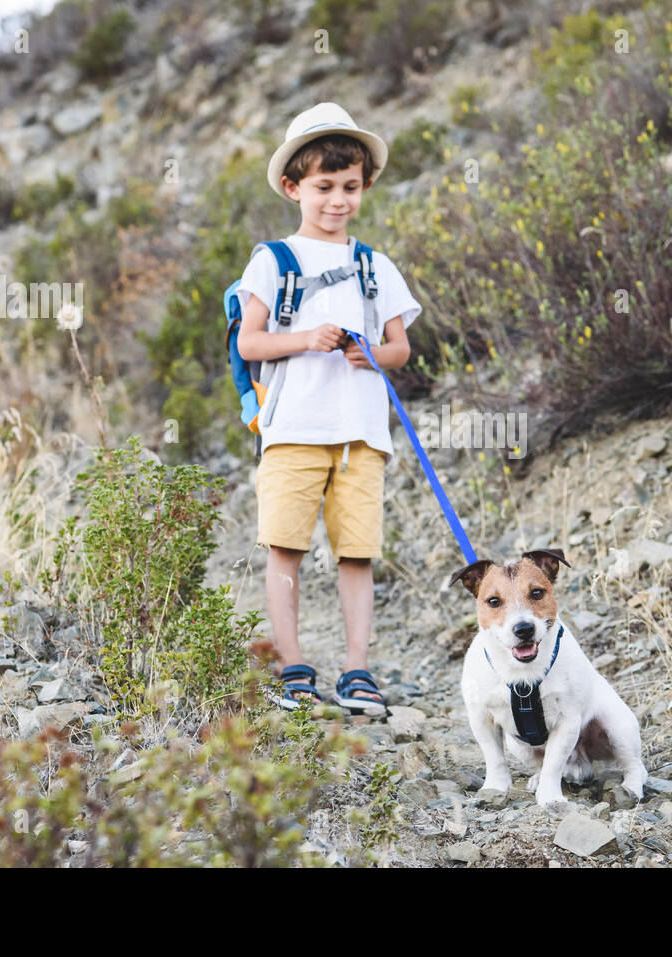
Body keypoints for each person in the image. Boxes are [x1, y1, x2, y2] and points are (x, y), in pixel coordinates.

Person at [235, 102, 421, 715]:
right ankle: (293, 666)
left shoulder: (375, 265)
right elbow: (250, 341)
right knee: (286, 548)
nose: (337, 200)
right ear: (293, 188)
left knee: (356, 553)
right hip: (291, 430)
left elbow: (401, 347)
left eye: (349, 187)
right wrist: (305, 340)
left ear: (364, 186)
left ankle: (357, 670)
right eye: (323, 187)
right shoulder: (273, 260)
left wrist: (374, 353)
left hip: (362, 434)